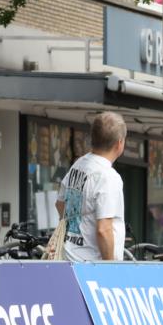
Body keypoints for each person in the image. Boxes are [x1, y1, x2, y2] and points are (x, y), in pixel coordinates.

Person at [55, 112, 128, 261]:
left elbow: (60, 203)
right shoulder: (108, 177)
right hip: (91, 267)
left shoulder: (79, 165)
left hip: (68, 258)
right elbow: (104, 229)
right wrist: (110, 268)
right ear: (119, 143)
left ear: (92, 139)